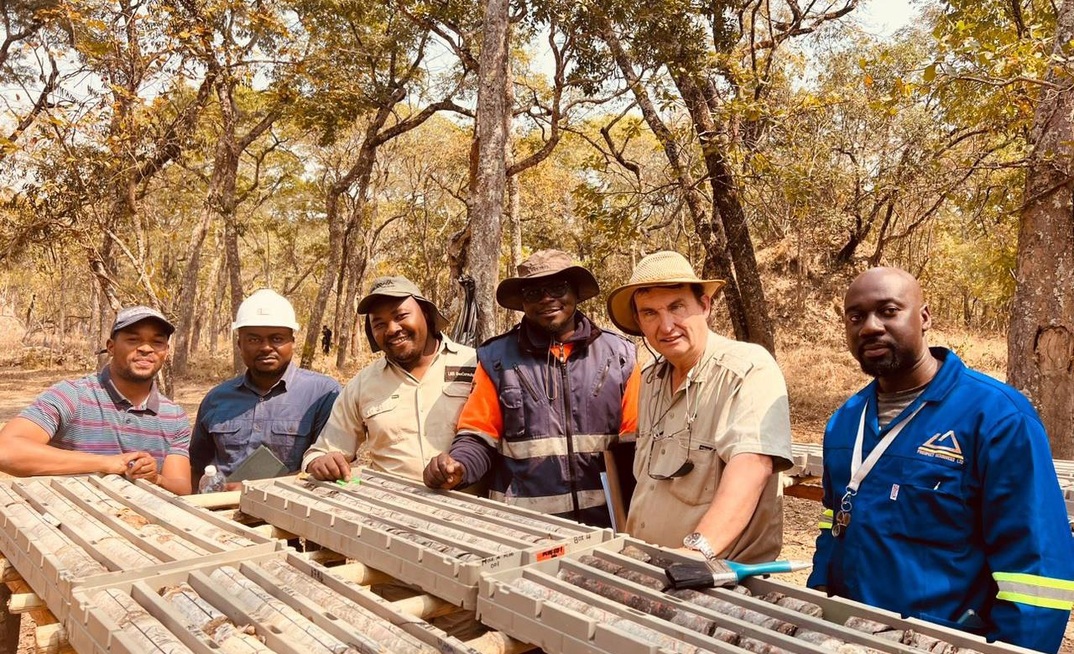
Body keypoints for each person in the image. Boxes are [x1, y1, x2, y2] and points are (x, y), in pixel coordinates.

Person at [808, 267, 1074, 653]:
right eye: (856, 316)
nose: (869, 327)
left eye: (888, 310)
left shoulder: (996, 417)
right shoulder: (846, 421)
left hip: (941, 642)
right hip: (850, 637)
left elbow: (1038, 571)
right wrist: (819, 595)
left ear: (925, 317)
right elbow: (834, 518)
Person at [423, 249, 640, 528]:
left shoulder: (619, 355)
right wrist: (458, 468)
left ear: (575, 291)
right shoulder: (496, 359)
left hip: (607, 526)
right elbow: (478, 439)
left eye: (558, 287)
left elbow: (636, 445)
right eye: (533, 292)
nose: (547, 298)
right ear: (522, 303)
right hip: (521, 529)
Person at [605, 251, 792, 562]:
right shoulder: (650, 380)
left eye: (677, 307)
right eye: (650, 313)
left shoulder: (746, 369)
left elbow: (752, 466)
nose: (666, 326)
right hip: (651, 566)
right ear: (638, 321)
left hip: (718, 578)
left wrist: (696, 552)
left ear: (704, 305)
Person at [0, 306, 192, 495]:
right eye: (133, 340)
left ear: (166, 352)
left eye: (157, 342)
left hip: (141, 524)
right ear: (111, 347)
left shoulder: (174, 417)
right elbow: (6, 451)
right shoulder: (72, 396)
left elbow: (182, 489)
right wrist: (108, 463)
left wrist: (155, 479)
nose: (145, 348)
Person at [302, 276, 476, 482]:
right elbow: (322, 451)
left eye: (401, 315)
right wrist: (320, 462)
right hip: (391, 508)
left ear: (426, 314)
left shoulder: (475, 363)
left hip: (471, 508)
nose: (392, 329)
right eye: (379, 324)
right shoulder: (361, 385)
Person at [190, 289, 340, 490]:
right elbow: (198, 467)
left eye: (277, 338)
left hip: (291, 510)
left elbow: (326, 469)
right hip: (221, 508)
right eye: (253, 339)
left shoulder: (323, 394)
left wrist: (257, 489)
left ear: (292, 342)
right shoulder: (216, 399)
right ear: (239, 344)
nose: (266, 347)